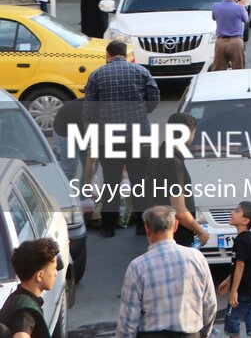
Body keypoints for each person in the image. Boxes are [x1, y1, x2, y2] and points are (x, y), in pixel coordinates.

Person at [83, 39, 160, 236]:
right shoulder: (141, 72)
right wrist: (141, 111)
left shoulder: (96, 75)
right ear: (125, 54)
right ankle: (143, 227)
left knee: (111, 182)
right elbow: (153, 100)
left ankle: (108, 227)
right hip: (139, 137)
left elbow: (89, 112)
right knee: (139, 181)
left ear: (107, 55)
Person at [115, 206, 218, 338]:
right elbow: (209, 304)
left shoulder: (138, 266)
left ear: (147, 229)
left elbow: (128, 318)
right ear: (175, 226)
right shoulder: (196, 258)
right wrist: (204, 333)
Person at [158, 111, 211, 249]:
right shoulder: (174, 163)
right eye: (194, 133)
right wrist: (201, 231)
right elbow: (179, 209)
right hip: (177, 237)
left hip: (161, 233)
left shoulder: (160, 153)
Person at [218, 201, 251, 338]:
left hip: (242, 292)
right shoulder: (250, 238)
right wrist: (228, 280)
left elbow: (240, 265)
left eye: (237, 211)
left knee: (232, 323)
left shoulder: (240, 240)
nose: (232, 212)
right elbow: (245, 265)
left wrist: (233, 291)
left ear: (245, 220)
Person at [0, 238, 59, 338]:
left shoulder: (16, 298)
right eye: (53, 268)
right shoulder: (25, 311)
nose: (56, 273)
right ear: (39, 276)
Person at [211, 0, 250, 71]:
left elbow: (214, 17)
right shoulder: (239, 8)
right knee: (238, 70)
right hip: (235, 41)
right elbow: (246, 19)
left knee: (218, 70)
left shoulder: (215, 6)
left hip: (220, 42)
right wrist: (242, 6)